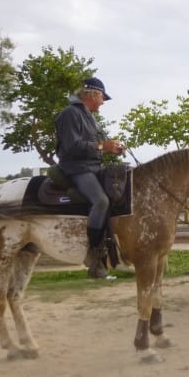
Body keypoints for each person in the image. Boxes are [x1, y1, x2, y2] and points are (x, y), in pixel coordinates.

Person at [55, 77, 125, 278]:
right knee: (101, 201)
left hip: (93, 167)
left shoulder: (88, 116)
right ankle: (93, 252)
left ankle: (110, 253)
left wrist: (111, 148)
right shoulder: (70, 114)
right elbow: (72, 147)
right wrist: (104, 146)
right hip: (76, 168)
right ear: (93, 94)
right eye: (103, 97)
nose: (103, 102)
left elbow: (95, 146)